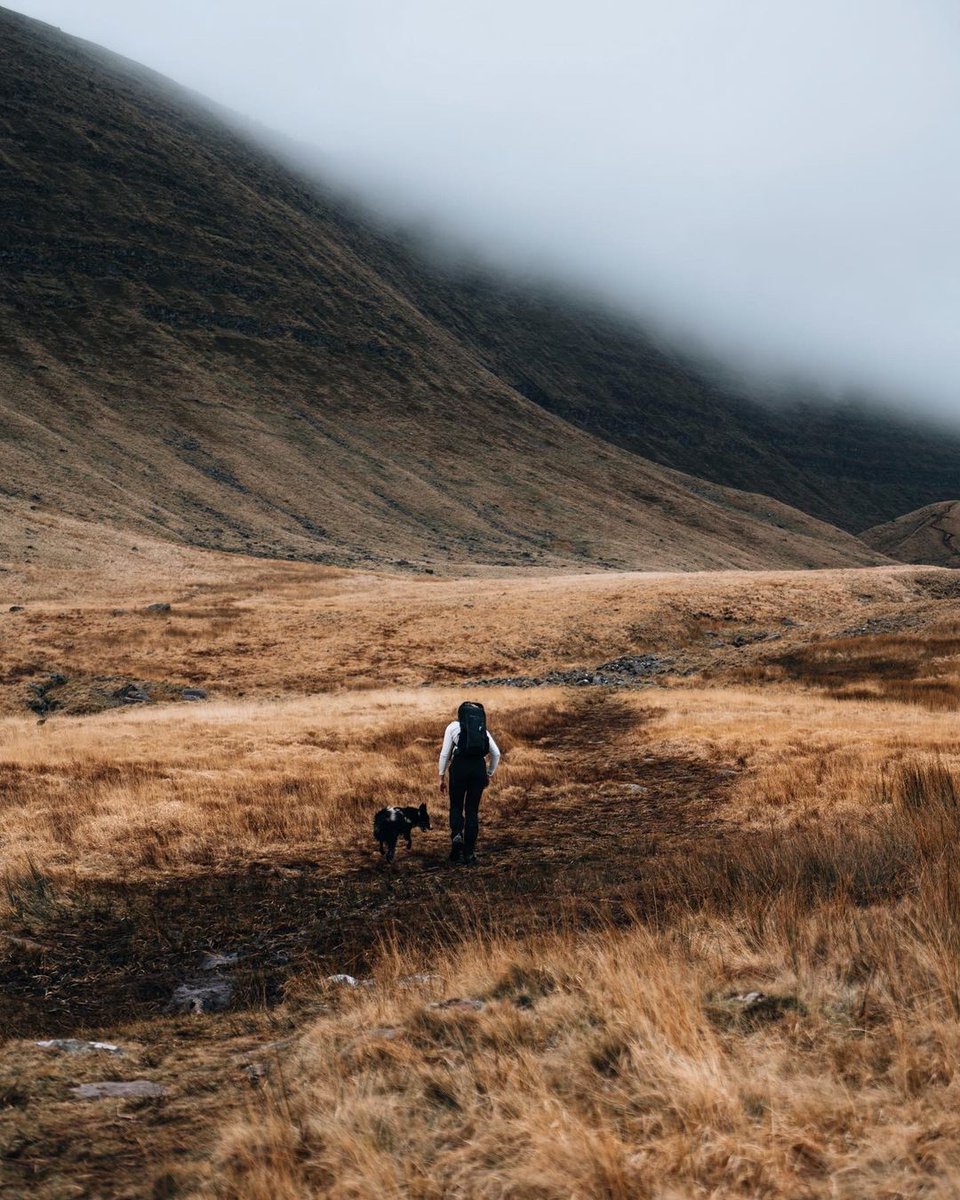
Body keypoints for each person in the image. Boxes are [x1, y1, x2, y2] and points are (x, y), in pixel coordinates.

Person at [438, 701, 501, 865]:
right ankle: (469, 853)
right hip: (478, 768)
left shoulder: (452, 727)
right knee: (472, 810)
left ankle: (457, 835)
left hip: (459, 768)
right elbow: (496, 754)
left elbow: (445, 754)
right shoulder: (481, 729)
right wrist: (488, 773)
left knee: (456, 805)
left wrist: (441, 776)